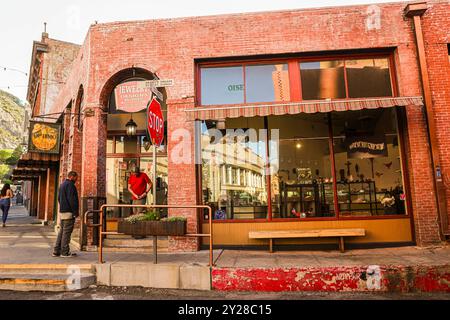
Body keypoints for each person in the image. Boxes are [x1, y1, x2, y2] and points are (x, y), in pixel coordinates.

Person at [53, 171, 79, 258]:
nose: (76, 180)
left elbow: (59, 198)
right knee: (67, 233)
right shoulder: (71, 185)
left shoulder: (62, 184)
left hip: (62, 212)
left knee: (62, 232)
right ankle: (65, 252)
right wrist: (75, 212)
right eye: (76, 178)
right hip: (69, 212)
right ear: (72, 176)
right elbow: (72, 200)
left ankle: (56, 251)